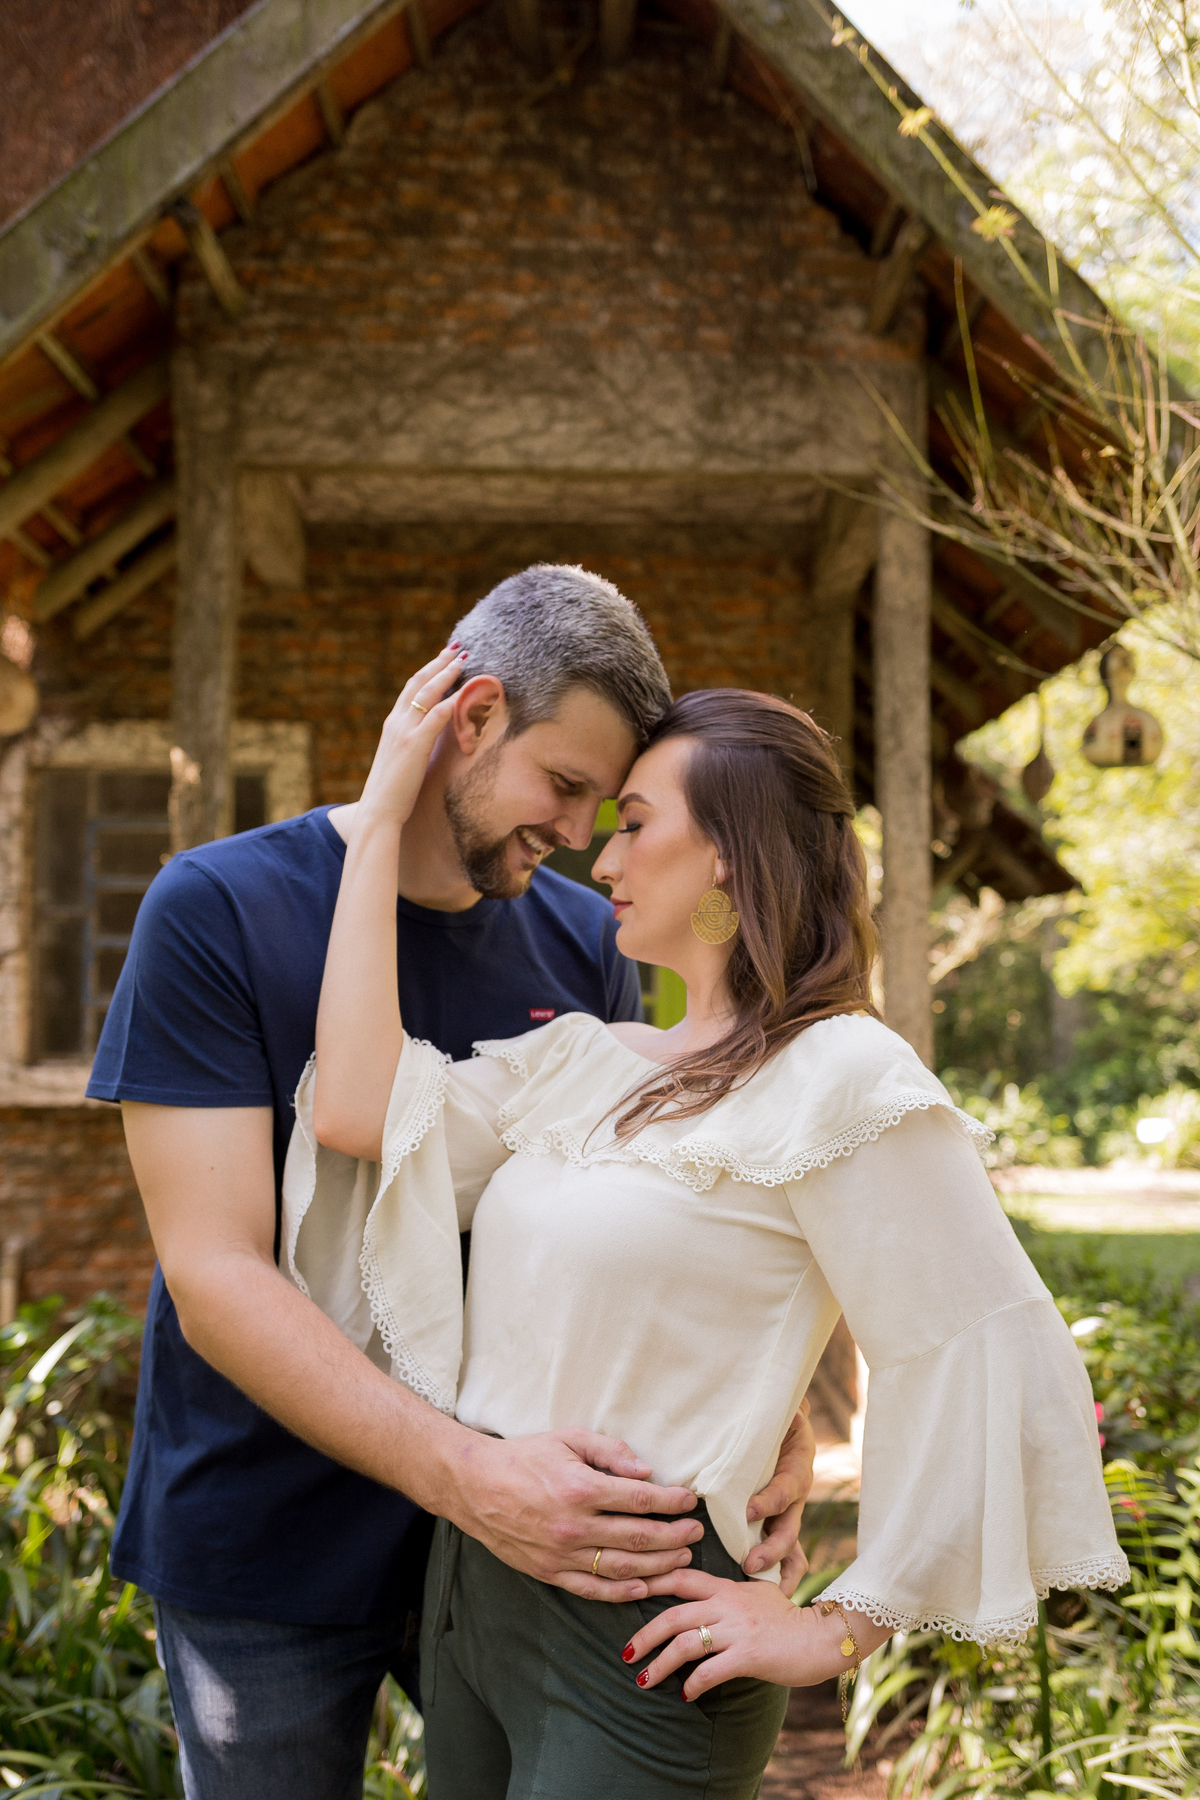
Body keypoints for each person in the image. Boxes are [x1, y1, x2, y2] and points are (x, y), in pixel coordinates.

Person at [297, 661, 1129, 1800]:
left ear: (729, 852)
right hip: (472, 1594)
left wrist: (841, 1627)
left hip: (643, 1634)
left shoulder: (842, 1073)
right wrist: (383, 815)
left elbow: (987, 1342)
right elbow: (353, 1107)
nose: (604, 858)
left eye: (637, 824)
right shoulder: (579, 1062)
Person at [88, 566, 815, 1800]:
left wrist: (768, 1417)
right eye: (566, 787)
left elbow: (648, 1214)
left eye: (611, 807)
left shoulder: (588, 944)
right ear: (470, 717)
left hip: (515, 1554)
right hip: (265, 1542)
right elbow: (216, 1276)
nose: (580, 839)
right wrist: (464, 1476)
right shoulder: (213, 907)